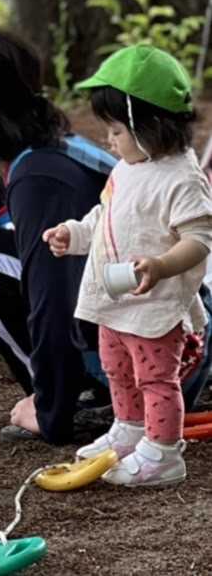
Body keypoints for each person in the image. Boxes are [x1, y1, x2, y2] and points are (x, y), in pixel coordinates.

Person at [0, 28, 116, 444]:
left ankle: (84, 397)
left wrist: (53, 411)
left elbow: (53, 300)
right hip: (108, 321)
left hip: (140, 345)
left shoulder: (40, 174)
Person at [44, 46, 212, 487]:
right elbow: (105, 217)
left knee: (156, 377)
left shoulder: (182, 178)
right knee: (117, 369)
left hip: (153, 301)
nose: (108, 139)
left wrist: (160, 264)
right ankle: (130, 428)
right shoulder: (127, 167)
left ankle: (162, 452)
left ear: (148, 126)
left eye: (116, 130)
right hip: (115, 296)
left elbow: (199, 240)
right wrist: (74, 234)